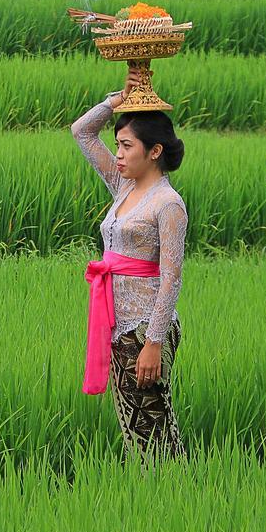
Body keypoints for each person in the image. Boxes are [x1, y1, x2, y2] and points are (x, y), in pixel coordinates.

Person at [73, 67, 188, 461]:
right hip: (116, 322)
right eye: (117, 145)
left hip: (144, 329)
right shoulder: (123, 187)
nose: (118, 155)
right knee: (133, 424)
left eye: (127, 146)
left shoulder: (167, 203)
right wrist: (115, 101)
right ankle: (156, 493)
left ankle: (171, 491)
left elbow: (171, 278)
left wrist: (153, 343)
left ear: (154, 151)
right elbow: (82, 132)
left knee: (151, 424)